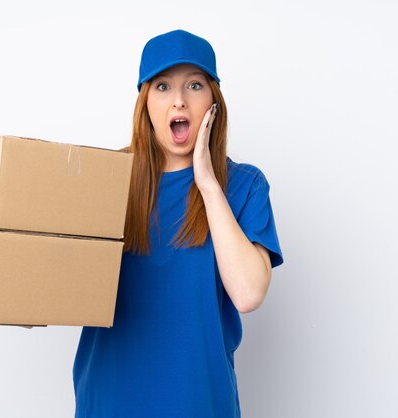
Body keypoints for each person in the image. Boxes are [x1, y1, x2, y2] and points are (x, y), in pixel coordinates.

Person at [72, 29, 284, 418]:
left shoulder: (244, 186)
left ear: (213, 103)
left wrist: (206, 183)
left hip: (198, 401)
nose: (179, 100)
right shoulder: (106, 179)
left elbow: (249, 293)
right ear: (145, 103)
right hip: (111, 397)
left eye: (195, 84)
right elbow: (60, 277)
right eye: (163, 86)